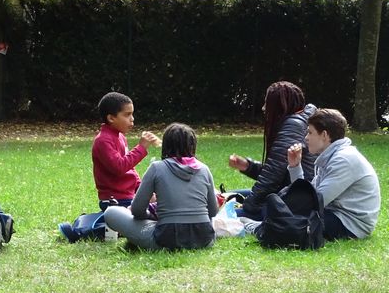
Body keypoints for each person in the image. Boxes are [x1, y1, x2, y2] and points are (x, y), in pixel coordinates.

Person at [103, 123, 219, 251]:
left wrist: (151, 214)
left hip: (166, 240)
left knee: (111, 212)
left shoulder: (157, 168)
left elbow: (136, 210)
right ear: (193, 146)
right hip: (204, 239)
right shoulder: (204, 169)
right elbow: (213, 211)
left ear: (166, 145)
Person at [286, 108, 380, 240]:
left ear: (324, 135)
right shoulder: (331, 156)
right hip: (334, 214)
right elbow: (310, 195)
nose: (306, 138)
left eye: (310, 132)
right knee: (281, 210)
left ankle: (253, 226)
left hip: (350, 224)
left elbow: (313, 202)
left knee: (287, 218)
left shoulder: (343, 159)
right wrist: (295, 166)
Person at [228, 81, 316, 219]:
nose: (264, 109)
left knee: (223, 213)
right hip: (290, 192)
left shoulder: (293, 125)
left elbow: (272, 176)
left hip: (294, 202)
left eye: (267, 104)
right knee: (229, 195)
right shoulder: (303, 119)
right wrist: (248, 166)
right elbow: (278, 171)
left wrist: (248, 207)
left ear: (279, 106)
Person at [91, 92, 159, 209]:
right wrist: (141, 147)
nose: (132, 119)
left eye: (132, 114)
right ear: (111, 118)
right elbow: (119, 167)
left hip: (128, 197)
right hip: (114, 200)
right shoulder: (103, 140)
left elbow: (130, 169)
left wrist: (143, 190)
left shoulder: (120, 136)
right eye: (127, 115)